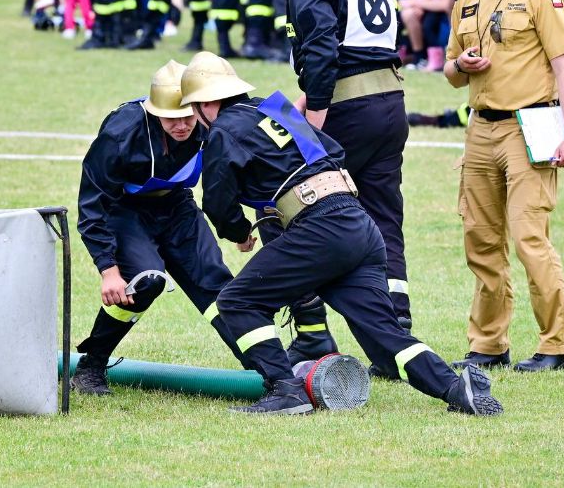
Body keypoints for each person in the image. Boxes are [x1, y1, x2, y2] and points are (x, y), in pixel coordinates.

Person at [179, 51, 502, 416]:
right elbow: (333, 151)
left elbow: (218, 201)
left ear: (207, 103)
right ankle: (459, 390)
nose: (194, 119)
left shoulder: (224, 130)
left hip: (320, 229)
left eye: (193, 109)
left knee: (237, 301)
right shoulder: (278, 109)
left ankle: (284, 389)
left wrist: (238, 230)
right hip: (358, 224)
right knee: (383, 335)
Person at [267, 0, 416, 346]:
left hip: (346, 112)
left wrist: (311, 122)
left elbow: (321, 52)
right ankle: (398, 323)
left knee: (302, 210)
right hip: (391, 107)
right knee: (384, 216)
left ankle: (312, 330)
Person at [442, 0, 564, 373]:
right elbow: (449, 71)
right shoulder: (464, 0)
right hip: (481, 127)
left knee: (529, 237)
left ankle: (558, 345)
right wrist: (463, 66)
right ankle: (488, 343)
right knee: (480, 240)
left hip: (531, 127)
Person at [70, 60, 254, 395]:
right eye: (172, 119)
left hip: (178, 206)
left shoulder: (213, 122)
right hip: (125, 212)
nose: (183, 126)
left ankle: (264, 367)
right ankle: (91, 367)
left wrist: (240, 229)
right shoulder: (120, 133)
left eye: (188, 116)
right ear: (155, 113)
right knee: (146, 282)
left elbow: (236, 171)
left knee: (216, 284)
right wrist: (108, 269)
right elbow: (92, 205)